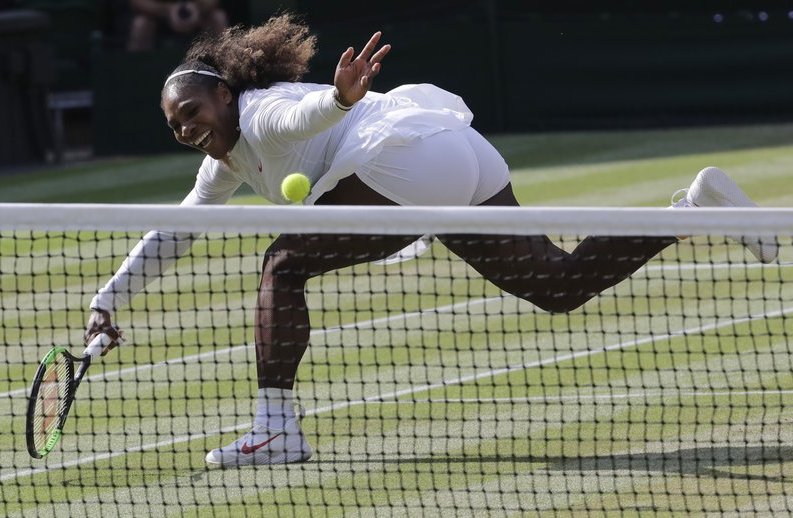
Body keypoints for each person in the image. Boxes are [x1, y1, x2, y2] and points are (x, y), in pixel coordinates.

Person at [84, 14, 778, 468]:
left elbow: (303, 117)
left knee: (283, 263)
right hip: (457, 154)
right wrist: (109, 297)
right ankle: (692, 208)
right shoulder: (222, 163)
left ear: (227, 96)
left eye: (192, 111)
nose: (183, 127)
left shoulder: (263, 115)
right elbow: (176, 230)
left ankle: (275, 429)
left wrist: (340, 101)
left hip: (403, 156)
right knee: (558, 286)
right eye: (173, 122)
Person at [126, 0, 228, 52]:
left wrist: (198, 8)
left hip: (197, 16)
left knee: (218, 18)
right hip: (157, 17)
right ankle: (136, 76)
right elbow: (137, 2)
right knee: (141, 24)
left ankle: (223, 73)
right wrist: (167, 10)